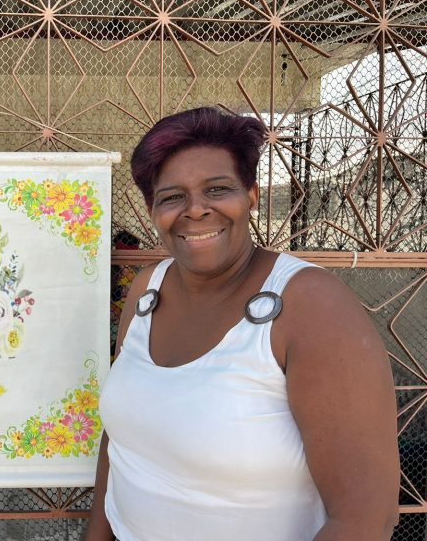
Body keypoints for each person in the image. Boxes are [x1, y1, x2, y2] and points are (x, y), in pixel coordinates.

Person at [85, 107, 400, 541]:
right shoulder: (146, 290)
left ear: (251, 195)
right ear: (152, 209)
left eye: (217, 189)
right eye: (172, 196)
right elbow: (119, 444)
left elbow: (366, 519)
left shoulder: (310, 305)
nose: (195, 210)